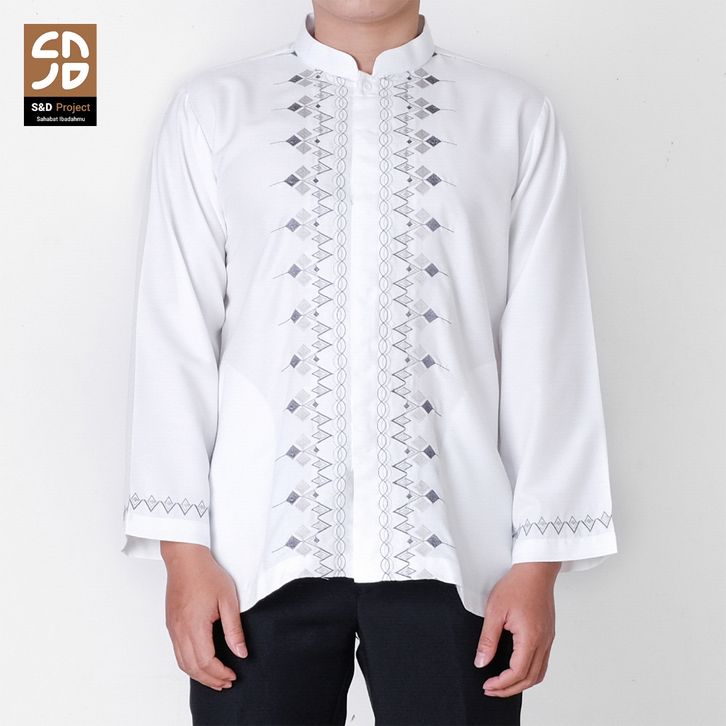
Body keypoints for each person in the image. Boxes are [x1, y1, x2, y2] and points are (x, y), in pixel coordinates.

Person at [121, 1, 618, 724]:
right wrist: (184, 556)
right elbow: (176, 334)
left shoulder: (513, 116)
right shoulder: (214, 111)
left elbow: (550, 343)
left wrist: (537, 565)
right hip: (253, 558)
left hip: (458, 554)